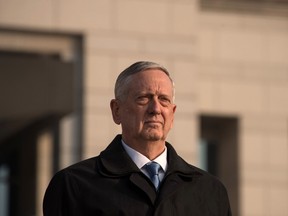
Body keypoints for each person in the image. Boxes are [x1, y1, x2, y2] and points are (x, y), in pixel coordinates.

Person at [43, 61, 232, 216]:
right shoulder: (73, 185)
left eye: (164, 100)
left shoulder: (211, 191)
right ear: (116, 110)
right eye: (143, 98)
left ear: (172, 114)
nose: (156, 109)